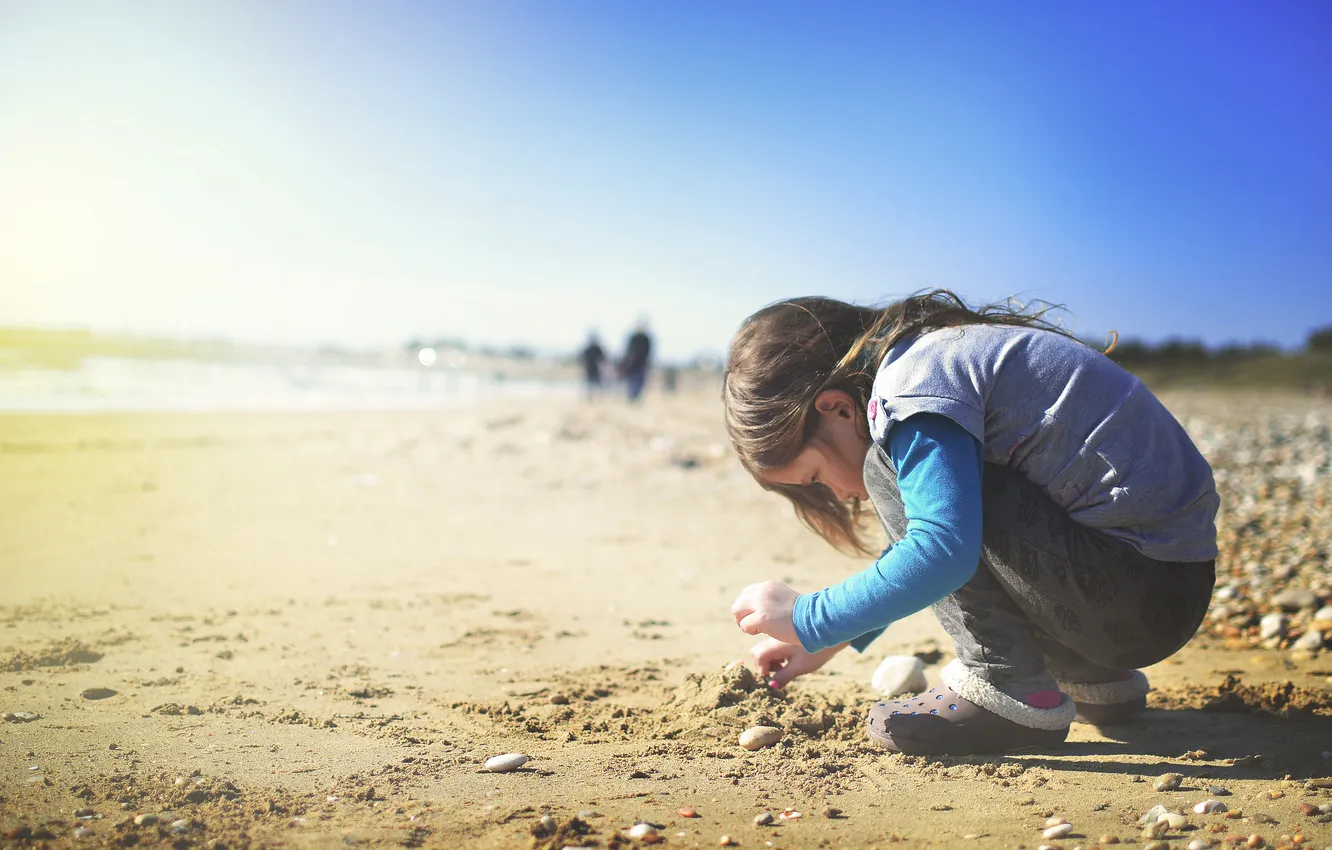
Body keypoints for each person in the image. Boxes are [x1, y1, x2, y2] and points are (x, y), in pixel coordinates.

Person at [723, 290, 1218, 755]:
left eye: (815, 478)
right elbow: (949, 537)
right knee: (940, 502)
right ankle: (1093, 675)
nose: (837, 494)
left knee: (886, 468)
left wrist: (810, 616)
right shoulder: (938, 358)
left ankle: (1008, 687)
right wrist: (836, 637)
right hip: (1156, 585)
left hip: (1128, 587)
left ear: (836, 408)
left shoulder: (910, 388)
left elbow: (941, 549)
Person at [620, 321, 653, 402]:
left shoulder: (646, 339)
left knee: (640, 382)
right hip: (632, 364)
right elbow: (628, 351)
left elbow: (648, 352)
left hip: (641, 364)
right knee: (632, 382)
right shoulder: (633, 338)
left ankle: (636, 398)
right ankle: (631, 398)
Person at [578, 332, 607, 400]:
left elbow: (603, 359)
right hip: (591, 369)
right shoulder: (590, 349)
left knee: (595, 384)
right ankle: (591, 397)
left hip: (595, 369)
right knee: (590, 385)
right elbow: (582, 359)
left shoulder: (595, 348)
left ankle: (597, 397)